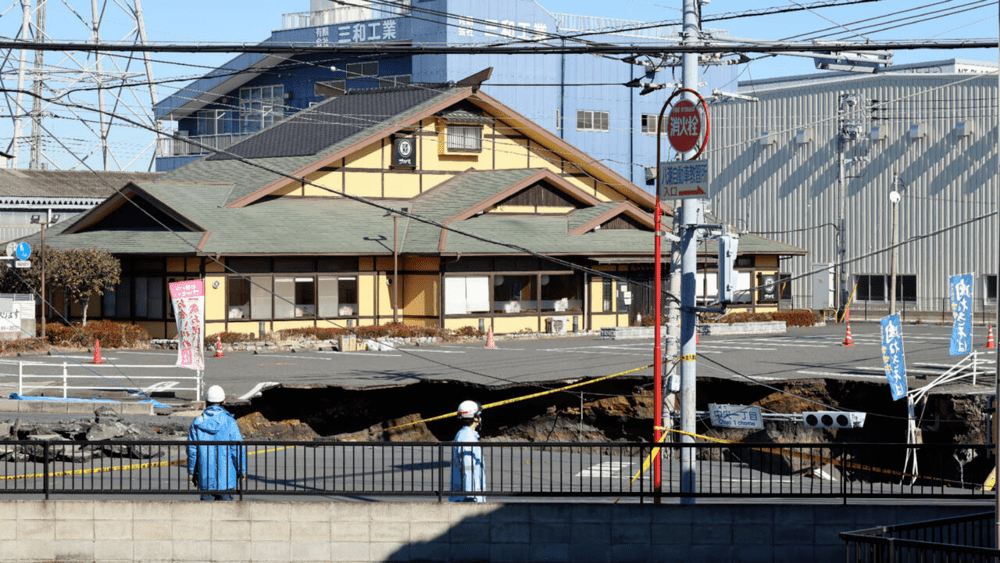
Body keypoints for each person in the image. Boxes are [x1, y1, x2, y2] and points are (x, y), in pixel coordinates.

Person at [187, 385, 247, 501]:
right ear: (223, 401)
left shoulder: (197, 423)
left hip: (205, 476)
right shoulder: (230, 422)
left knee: (208, 514)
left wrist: (191, 471)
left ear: (206, 402)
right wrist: (242, 470)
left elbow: (192, 450)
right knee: (225, 514)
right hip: (227, 477)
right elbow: (237, 449)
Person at [450, 399, 486, 502]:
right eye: (478, 415)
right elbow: (468, 469)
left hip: (465, 498)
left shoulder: (464, 435)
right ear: (474, 418)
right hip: (468, 500)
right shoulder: (467, 438)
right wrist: (471, 495)